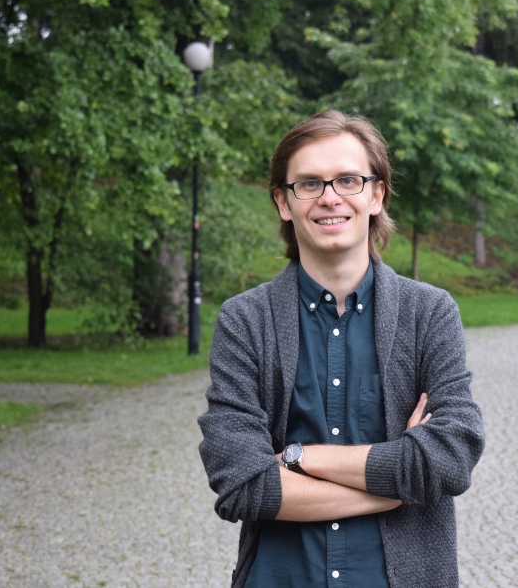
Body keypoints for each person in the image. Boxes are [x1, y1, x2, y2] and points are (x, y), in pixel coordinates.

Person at [197, 109, 484, 588]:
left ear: (376, 194)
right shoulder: (245, 321)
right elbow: (240, 484)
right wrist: (396, 488)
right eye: (309, 183)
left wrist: (296, 458)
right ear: (283, 203)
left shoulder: (429, 313)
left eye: (348, 180)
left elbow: (450, 458)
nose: (329, 198)